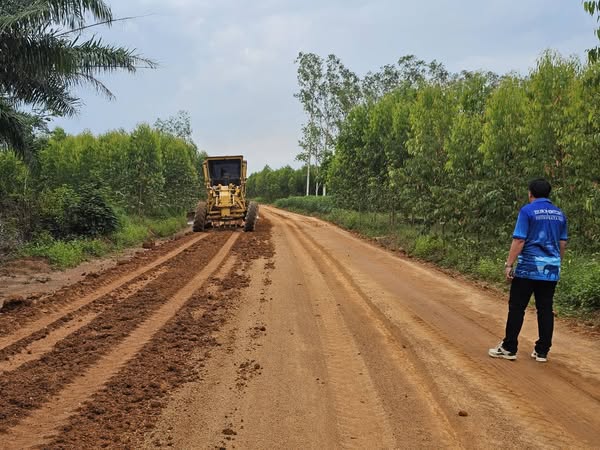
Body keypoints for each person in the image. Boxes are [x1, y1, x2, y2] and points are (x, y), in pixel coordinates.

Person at [489, 179, 568, 363]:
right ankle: (542, 351)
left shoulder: (527, 211)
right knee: (545, 308)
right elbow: (562, 243)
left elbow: (519, 240)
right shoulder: (559, 214)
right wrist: (556, 263)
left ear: (530, 193)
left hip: (528, 268)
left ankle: (509, 348)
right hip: (550, 268)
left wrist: (509, 264)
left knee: (517, 307)